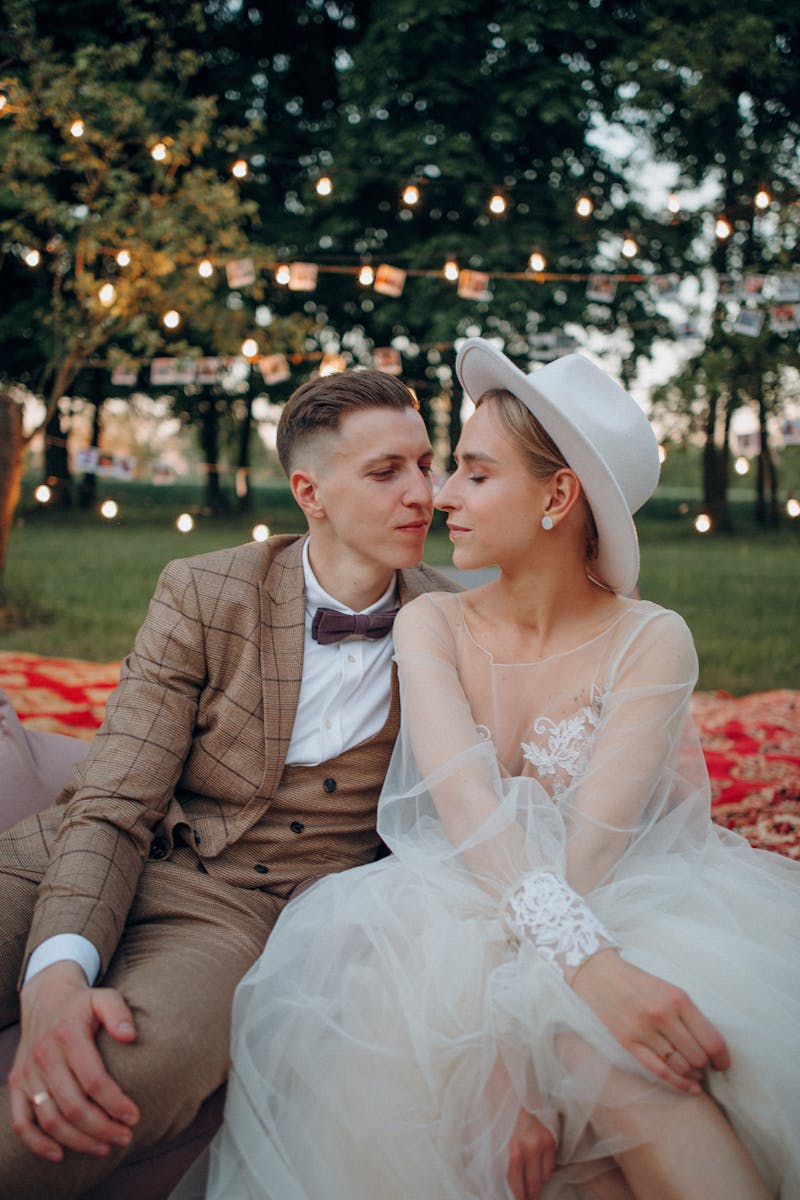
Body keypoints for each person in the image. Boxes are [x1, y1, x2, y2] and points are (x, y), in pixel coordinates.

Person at [178, 341, 800, 1200]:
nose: (439, 496)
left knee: (625, 1059)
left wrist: (538, 1027)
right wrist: (513, 1044)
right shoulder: (431, 625)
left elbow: (593, 854)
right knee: (573, 1067)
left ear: (557, 495)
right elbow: (468, 810)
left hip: (617, 899)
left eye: (472, 473)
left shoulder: (652, 639)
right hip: (443, 916)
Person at [0, 367, 464, 1198]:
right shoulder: (207, 591)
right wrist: (57, 973)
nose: (422, 492)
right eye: (387, 471)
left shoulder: (457, 625)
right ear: (309, 492)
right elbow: (114, 800)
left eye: (427, 464)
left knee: (106, 1087)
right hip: (78, 854)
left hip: (237, 920)